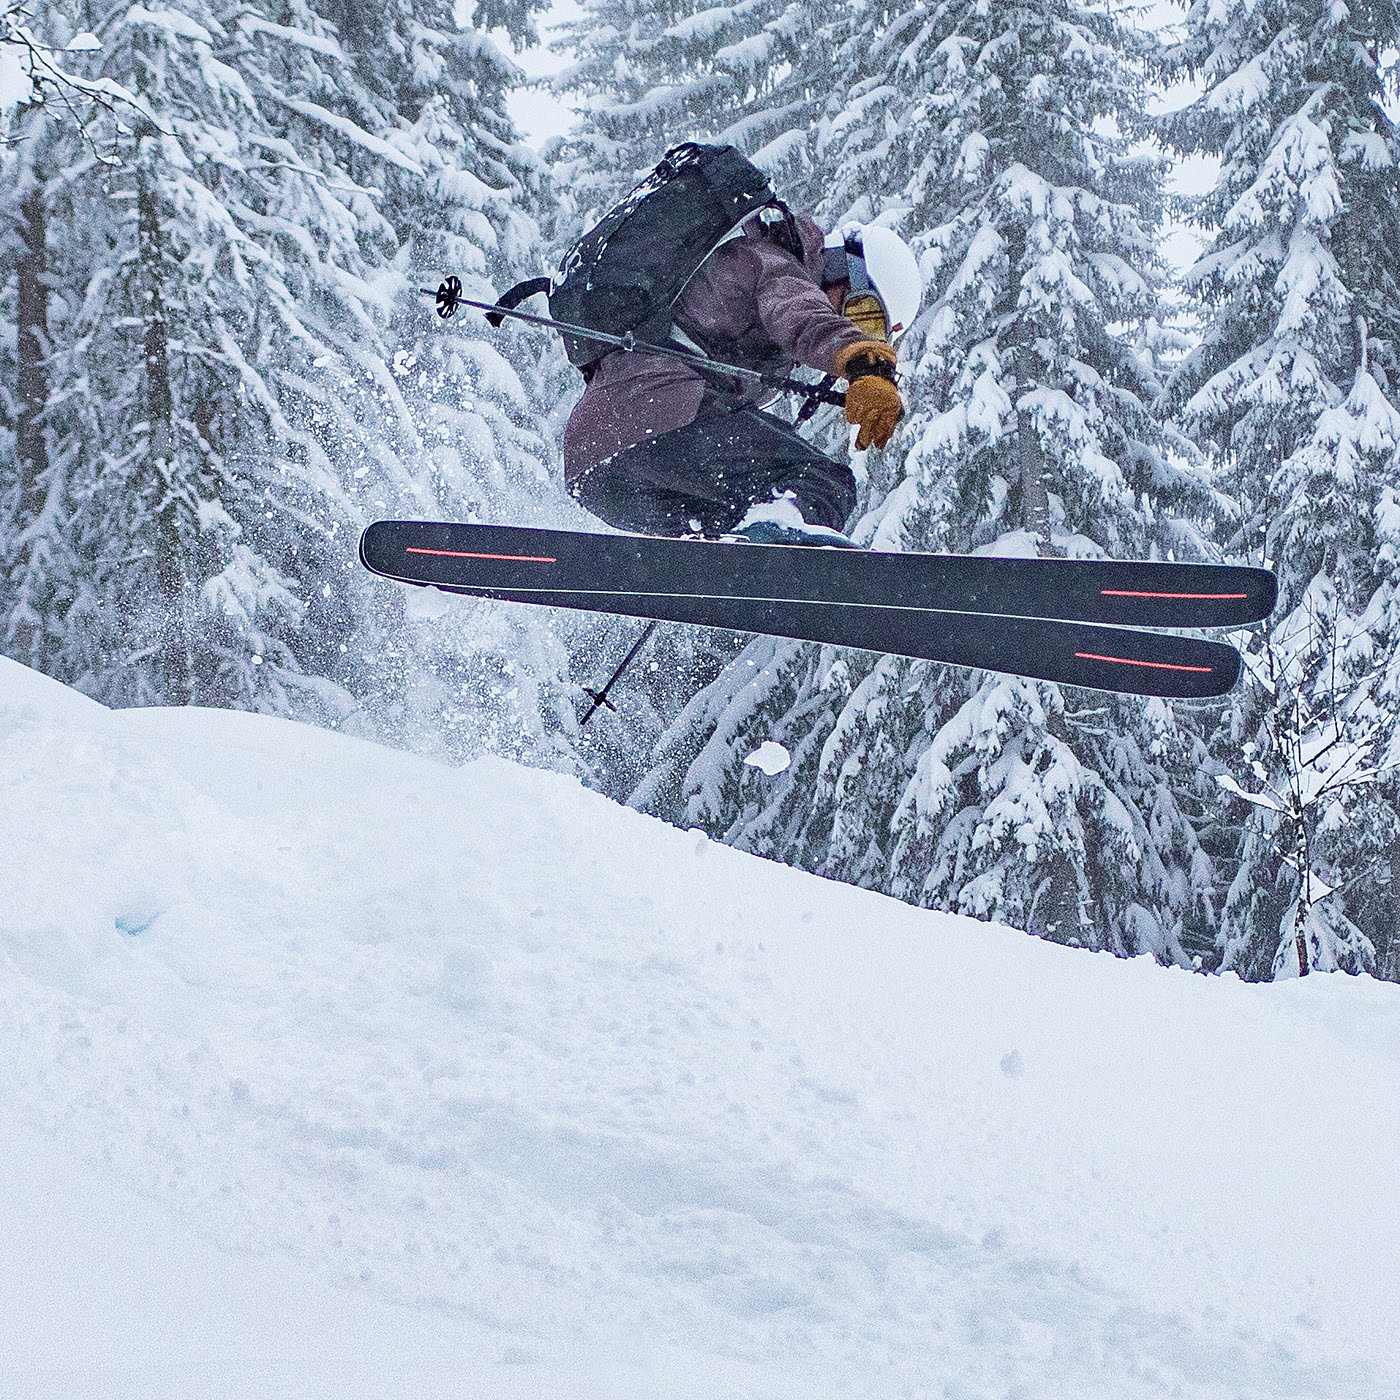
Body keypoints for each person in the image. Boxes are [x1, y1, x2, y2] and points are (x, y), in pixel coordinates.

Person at [561, 210, 922, 547]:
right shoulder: (772, 264)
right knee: (823, 482)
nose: (852, 326)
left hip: (599, 471)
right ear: (843, 269)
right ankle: (780, 552)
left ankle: (703, 597)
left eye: (872, 331)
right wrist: (866, 364)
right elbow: (804, 317)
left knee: (726, 534)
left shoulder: (767, 303)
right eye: (862, 312)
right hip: (658, 423)